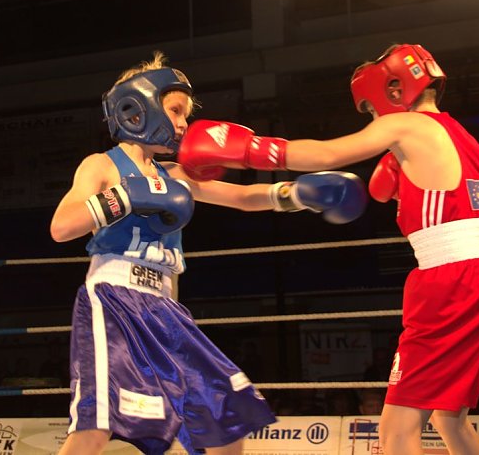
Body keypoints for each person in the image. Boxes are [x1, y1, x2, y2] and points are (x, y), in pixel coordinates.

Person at [177, 43, 479, 455]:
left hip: (452, 282)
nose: (373, 119)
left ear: (393, 91)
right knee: (450, 419)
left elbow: (328, 153)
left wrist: (247, 149)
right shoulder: (462, 137)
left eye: (370, 110)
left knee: (397, 431)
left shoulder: (407, 125)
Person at [49, 51, 367, 455]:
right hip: (114, 301)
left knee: (224, 425)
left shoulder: (174, 175)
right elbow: (61, 226)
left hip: (167, 310)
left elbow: (243, 198)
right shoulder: (101, 166)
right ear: (138, 108)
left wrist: (297, 194)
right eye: (176, 111)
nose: (184, 124)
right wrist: (125, 196)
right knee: (96, 428)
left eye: (186, 114)